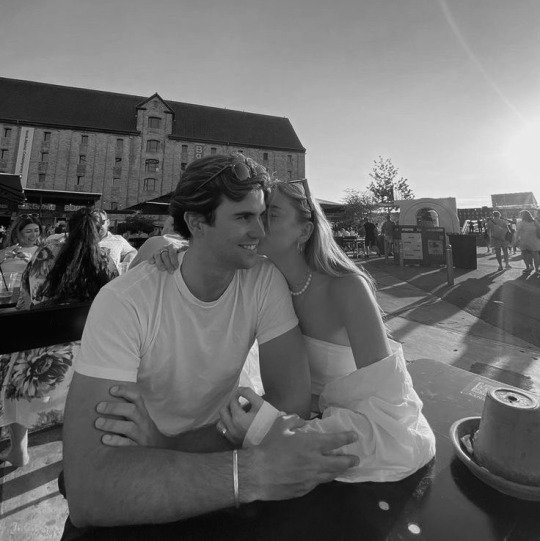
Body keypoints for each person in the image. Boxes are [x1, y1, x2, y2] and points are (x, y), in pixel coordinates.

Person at [61, 155, 357, 531]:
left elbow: (291, 398)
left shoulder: (262, 280)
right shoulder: (125, 301)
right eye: (244, 217)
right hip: (151, 470)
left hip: (194, 461)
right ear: (197, 222)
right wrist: (252, 472)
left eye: (262, 215)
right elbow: (89, 492)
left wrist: (168, 444)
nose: (260, 231)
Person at [99, 177, 435, 484]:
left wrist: (272, 429)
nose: (256, 227)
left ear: (304, 231)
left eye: (270, 216)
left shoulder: (347, 288)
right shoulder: (264, 276)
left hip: (366, 427)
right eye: (253, 215)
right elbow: (209, 252)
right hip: (300, 416)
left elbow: (389, 403)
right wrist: (182, 252)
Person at [0, 209, 118, 468]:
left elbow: (27, 298)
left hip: (40, 352)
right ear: (99, 232)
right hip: (91, 352)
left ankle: (18, 450)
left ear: (67, 229)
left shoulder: (45, 252)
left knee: (11, 364)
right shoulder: (105, 259)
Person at [513, 210, 540, 275]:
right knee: (536, 256)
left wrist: (515, 241)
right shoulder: (535, 222)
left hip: (524, 241)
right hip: (535, 241)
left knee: (526, 255)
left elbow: (517, 233)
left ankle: (529, 267)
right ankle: (537, 270)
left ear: (522, 216)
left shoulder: (521, 223)